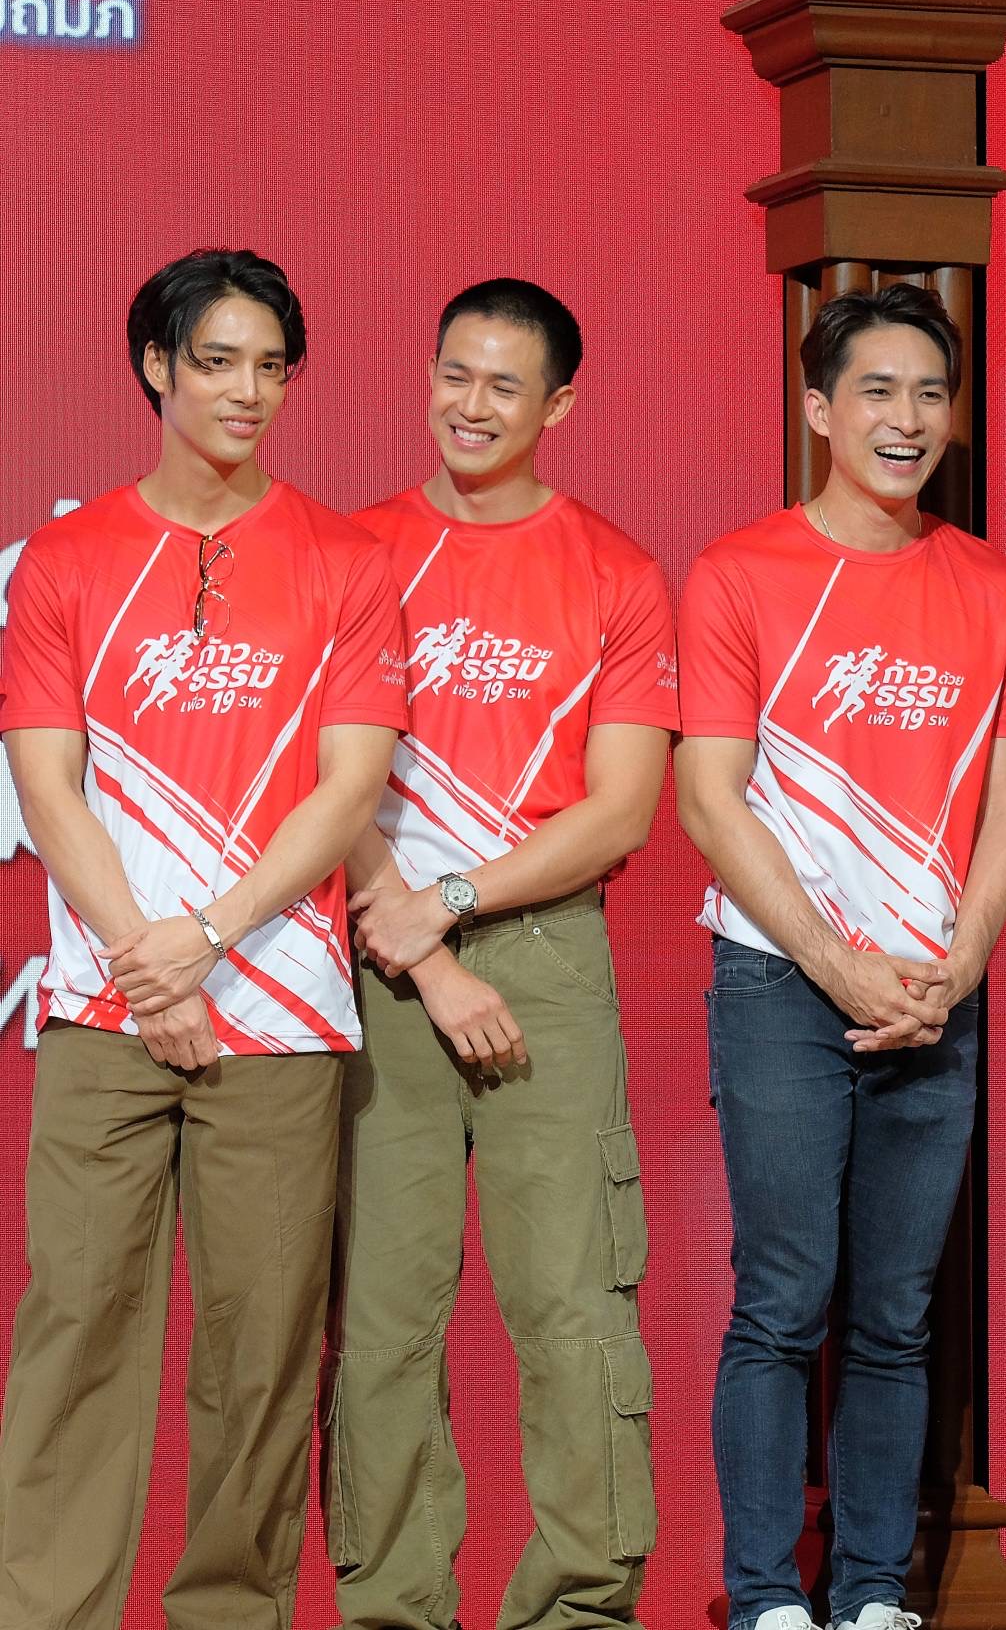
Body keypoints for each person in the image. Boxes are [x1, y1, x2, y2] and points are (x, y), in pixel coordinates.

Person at [0, 248, 405, 1629]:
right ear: (155, 367)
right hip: (104, 1010)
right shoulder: (66, 560)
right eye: (218, 361)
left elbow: (349, 787)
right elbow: (48, 782)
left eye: (271, 366)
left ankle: (230, 1613)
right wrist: (145, 960)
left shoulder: (347, 561)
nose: (248, 390)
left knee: (262, 1348)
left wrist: (212, 938)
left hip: (279, 1008)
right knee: (77, 1327)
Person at [676, 282, 1006, 1630]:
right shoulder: (739, 573)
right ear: (820, 408)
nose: (908, 419)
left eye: (931, 394)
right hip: (783, 982)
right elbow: (709, 799)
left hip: (935, 994)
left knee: (896, 1312)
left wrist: (956, 969)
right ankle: (767, 1596)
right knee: (784, 1298)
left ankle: (875, 1590)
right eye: (877, 391)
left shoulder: (995, 584)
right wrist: (838, 966)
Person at [323, 279, 677, 1630]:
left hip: (546, 958)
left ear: (559, 405)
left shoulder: (615, 573)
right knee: (382, 1314)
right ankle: (393, 1606)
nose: (470, 406)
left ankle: (579, 1607)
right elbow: (325, 784)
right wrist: (419, 943)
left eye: (505, 385)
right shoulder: (355, 553)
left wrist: (455, 902)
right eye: (453, 375)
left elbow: (623, 808)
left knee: (573, 1305)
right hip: (375, 961)